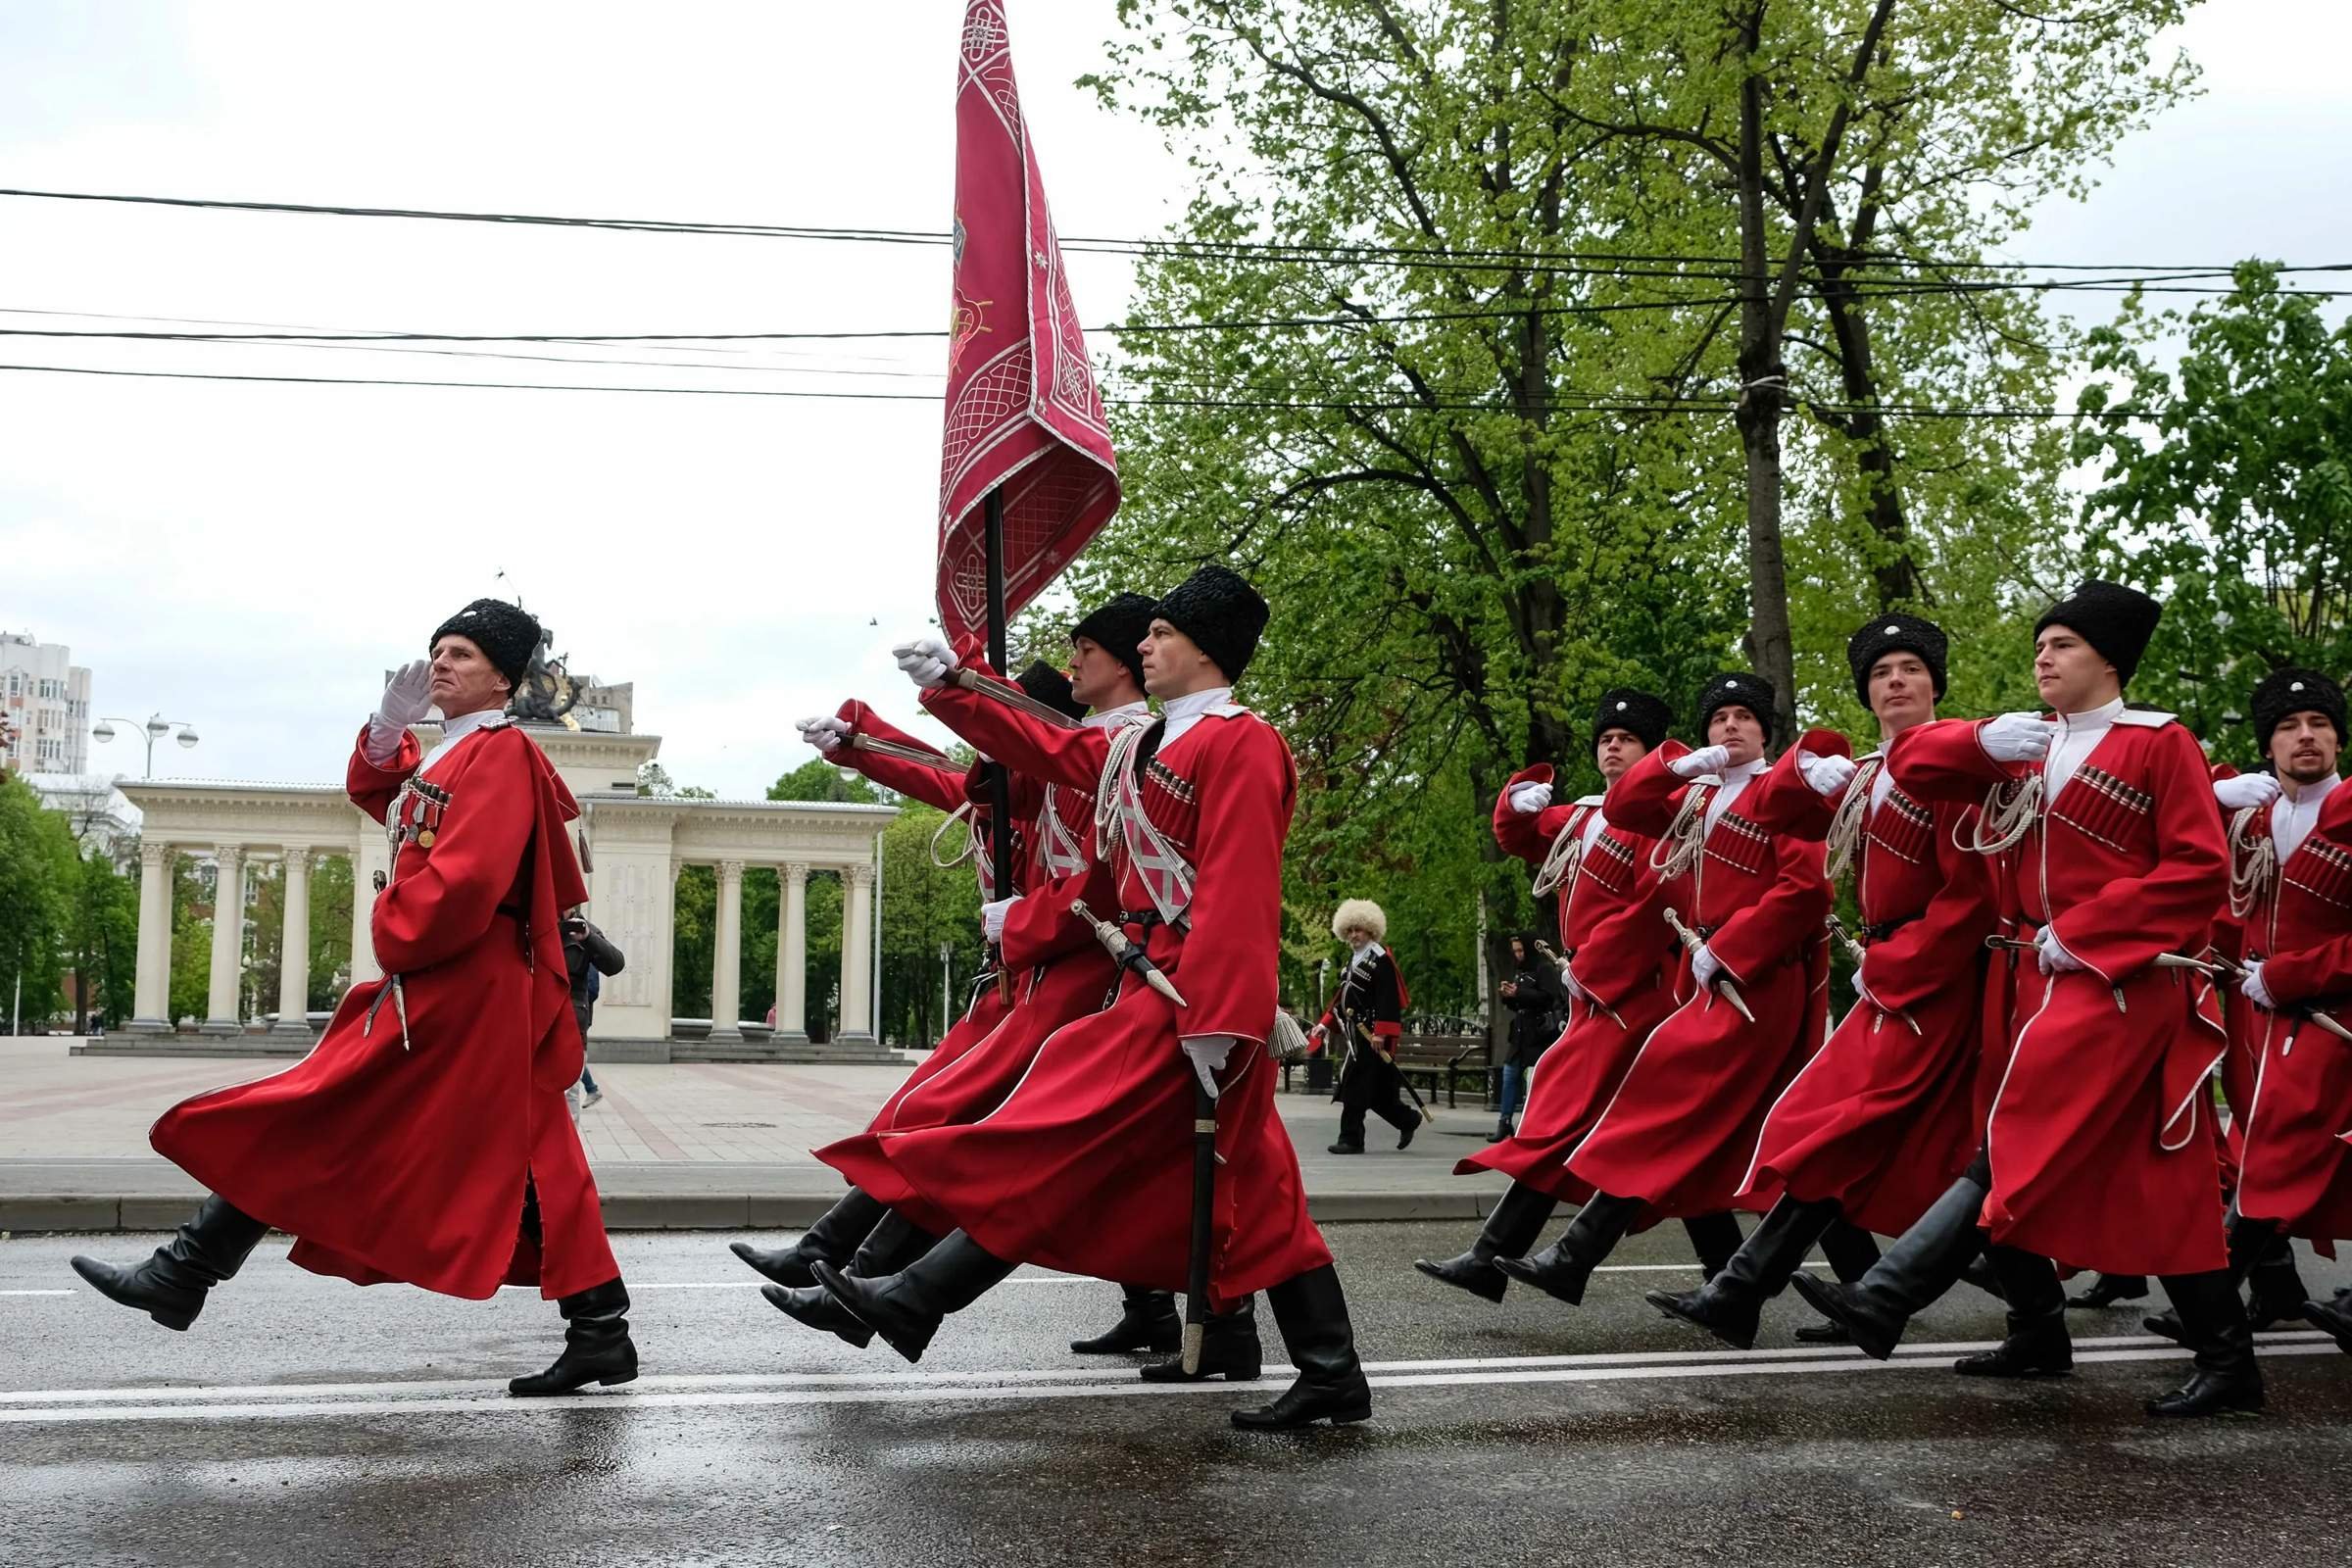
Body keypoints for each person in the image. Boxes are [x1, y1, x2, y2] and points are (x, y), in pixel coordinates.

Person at [821, 564, 1370, 1431]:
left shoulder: (1244, 743)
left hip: (1190, 999)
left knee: (1051, 1131)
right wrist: (955, 686)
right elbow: (1045, 748)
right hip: (1156, 983)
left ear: (1204, 649)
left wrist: (1218, 1018)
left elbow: (1237, 889)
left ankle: (913, 1293)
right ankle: (1330, 1369)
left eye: (1161, 635)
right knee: (1255, 1186)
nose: (1144, 646)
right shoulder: (1143, 745)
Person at [70, 599, 636, 1396]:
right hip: (459, 988)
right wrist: (383, 734)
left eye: (464, 654)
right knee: (533, 1158)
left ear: (505, 679)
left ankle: (184, 1271)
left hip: (467, 992)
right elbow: (400, 806)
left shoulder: (501, 754)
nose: (441, 663)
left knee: (322, 1111)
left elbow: (464, 881)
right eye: (438, 649)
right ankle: (601, 1331)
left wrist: (388, 918)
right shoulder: (457, 754)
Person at [1795, 580, 2254, 1417]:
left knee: (2013, 1133)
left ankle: (1886, 1296)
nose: (2043, 657)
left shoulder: (2159, 743)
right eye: (2041, 644)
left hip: (2124, 982)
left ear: (2109, 661)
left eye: (2063, 645)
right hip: (2036, 981)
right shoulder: (2027, 745)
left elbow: (2195, 869)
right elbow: (1913, 760)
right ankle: (2223, 1360)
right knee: (2158, 1182)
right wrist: (1977, 736)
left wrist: (2089, 933)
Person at [1647, 614, 2002, 1353]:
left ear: (1936, 683)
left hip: (1932, 983)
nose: (1896, 682)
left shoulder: (1956, 767)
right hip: (1888, 978)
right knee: (1842, 1137)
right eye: (1880, 674)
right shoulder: (1868, 772)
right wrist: (1808, 760)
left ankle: (1743, 1289)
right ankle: (1748, 1291)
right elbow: (1776, 806)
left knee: (1843, 1132)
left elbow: (1970, 898)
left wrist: (1893, 967)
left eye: (1909, 669)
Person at [1495, 672, 1832, 1305]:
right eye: (1718, 718)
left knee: (1661, 1107)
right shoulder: (1695, 799)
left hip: (1754, 981)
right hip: (1704, 983)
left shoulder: (1782, 792)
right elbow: (1625, 805)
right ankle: (1739, 1289)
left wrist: (1730, 950)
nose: (1730, 727)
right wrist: (1678, 764)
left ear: (1766, 732)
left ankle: (1575, 1256)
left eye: (1743, 717)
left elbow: (1807, 889)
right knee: (1703, 1138)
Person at [1416, 688, 1691, 1304]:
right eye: (1605, 740)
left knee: (1583, 1130)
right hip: (1596, 995)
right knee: (1614, 1137)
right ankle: (1735, 1279)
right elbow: (1518, 835)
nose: (1613, 747)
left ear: (1651, 751)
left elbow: (1653, 904)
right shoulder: (1585, 815)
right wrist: (1515, 799)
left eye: (1626, 739)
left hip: (1632, 998)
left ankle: (1492, 1257)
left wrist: (1591, 965)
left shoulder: (1657, 817)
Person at [2142, 667, 2351, 1352]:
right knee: (2276, 1150)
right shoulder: (2251, 818)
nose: (2306, 737)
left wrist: (2288, 976)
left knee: (2273, 1155)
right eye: (2289, 728)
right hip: (2258, 1020)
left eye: (2319, 724)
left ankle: (2210, 1305)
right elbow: (2161, 831)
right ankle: (2275, 1290)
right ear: (2269, 745)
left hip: (2330, 1019)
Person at [1318, 900, 1421, 1154]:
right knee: (1375, 1093)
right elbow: (1344, 997)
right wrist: (1325, 1024)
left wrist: (1382, 1033)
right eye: (1350, 930)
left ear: (1371, 931)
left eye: (1359, 930)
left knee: (1354, 1086)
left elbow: (1389, 998)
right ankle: (1407, 1119)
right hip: (1357, 1036)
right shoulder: (1354, 959)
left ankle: (1351, 1139)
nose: (1354, 935)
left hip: (1372, 1036)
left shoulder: (1380, 959)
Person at [1494, 934, 1560, 1142]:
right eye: (1515, 951)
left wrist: (1519, 993)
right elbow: (1518, 1003)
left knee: (1535, 1081)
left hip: (1538, 1033)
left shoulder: (1543, 969)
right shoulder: (1521, 971)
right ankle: (1504, 1121)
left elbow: (1549, 997)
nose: (1518, 955)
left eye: (1521, 950)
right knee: (1509, 1075)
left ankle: (1533, 1123)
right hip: (1520, 1033)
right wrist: (1509, 996)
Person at [564, 909, 623, 1110]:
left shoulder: (584, 932)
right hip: (537, 1022)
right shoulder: (537, 925)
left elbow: (614, 964)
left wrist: (588, 937)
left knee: (569, 1090)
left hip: (571, 1024)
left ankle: (571, 1139)